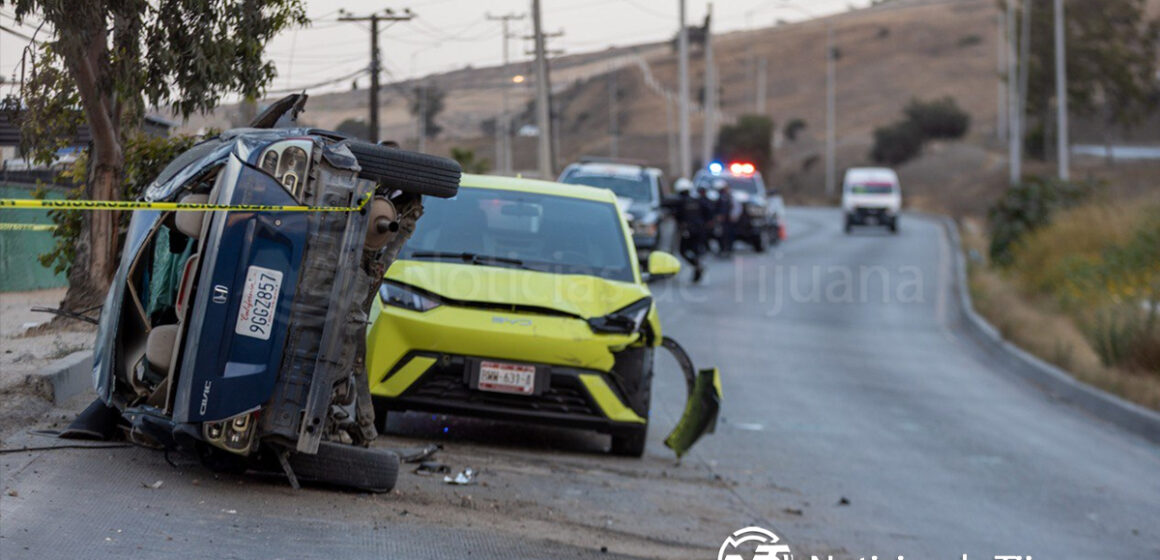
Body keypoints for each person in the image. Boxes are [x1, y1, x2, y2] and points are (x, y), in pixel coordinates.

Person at [665, 178, 712, 283]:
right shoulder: (697, 200)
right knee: (695, 250)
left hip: (687, 231)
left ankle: (696, 266)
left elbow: (669, 208)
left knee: (683, 251)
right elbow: (708, 212)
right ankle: (697, 267)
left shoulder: (679, 201)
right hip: (699, 230)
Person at [715, 180, 742, 257]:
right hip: (724, 221)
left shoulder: (729, 197)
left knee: (728, 235)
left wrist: (733, 215)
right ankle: (724, 249)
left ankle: (728, 249)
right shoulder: (721, 197)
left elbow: (736, 207)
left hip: (728, 221)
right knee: (721, 235)